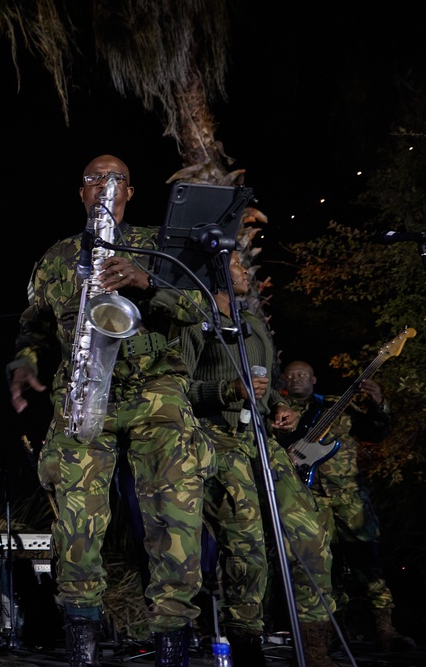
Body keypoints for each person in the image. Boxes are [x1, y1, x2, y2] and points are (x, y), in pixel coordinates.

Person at [7, 155, 213, 667]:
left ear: (130, 192)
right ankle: (81, 644)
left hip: (155, 393)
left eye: (116, 178)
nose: (105, 185)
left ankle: (173, 645)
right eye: (95, 178)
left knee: (175, 521)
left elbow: (200, 309)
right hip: (83, 390)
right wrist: (24, 364)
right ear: (82, 193)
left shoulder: (159, 245)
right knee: (77, 526)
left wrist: (146, 283)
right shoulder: (55, 258)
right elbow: (32, 326)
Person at [179, 250, 338, 667]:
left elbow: (263, 391)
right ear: (214, 273)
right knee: (245, 540)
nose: (244, 270)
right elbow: (174, 392)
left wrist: (279, 410)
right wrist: (228, 390)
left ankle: (317, 648)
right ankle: (248, 645)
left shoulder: (252, 327)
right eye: (235, 265)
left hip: (261, 440)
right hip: (214, 437)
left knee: (308, 534)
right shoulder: (192, 322)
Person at [274, 360, 415, 653]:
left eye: (302, 373)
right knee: (323, 568)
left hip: (349, 494)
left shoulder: (337, 405)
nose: (296, 378)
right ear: (283, 380)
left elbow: (375, 432)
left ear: (314, 378)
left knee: (368, 561)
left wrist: (378, 404)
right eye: (290, 374)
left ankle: (386, 630)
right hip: (308, 497)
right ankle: (334, 634)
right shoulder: (279, 413)